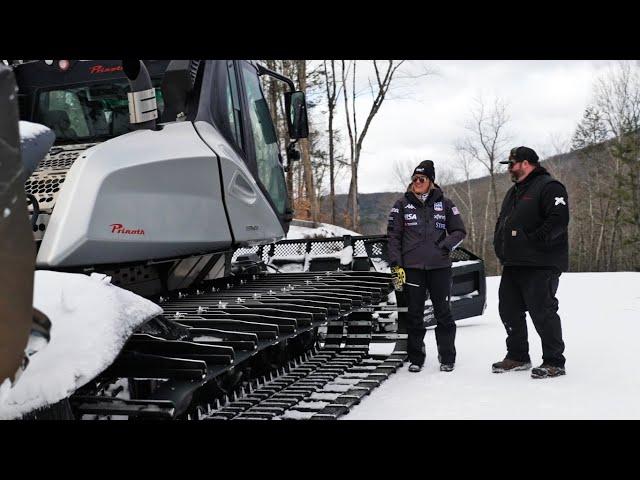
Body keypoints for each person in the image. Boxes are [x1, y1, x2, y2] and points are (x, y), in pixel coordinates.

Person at [492, 146, 569, 379]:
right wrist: (500, 246)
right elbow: (504, 222)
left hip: (540, 263)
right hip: (514, 263)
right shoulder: (514, 191)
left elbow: (559, 220)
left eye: (512, 164)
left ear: (526, 163)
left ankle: (554, 361)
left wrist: (533, 241)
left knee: (542, 311)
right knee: (508, 309)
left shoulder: (549, 186)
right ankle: (517, 356)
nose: (509, 169)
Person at [387, 160, 466, 373]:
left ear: (431, 181)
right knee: (414, 314)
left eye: (421, 179)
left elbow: (459, 231)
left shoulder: (446, 204)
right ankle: (416, 357)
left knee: (443, 313)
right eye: (414, 179)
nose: (417, 182)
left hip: (440, 267)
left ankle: (447, 357)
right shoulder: (401, 204)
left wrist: (445, 247)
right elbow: (393, 237)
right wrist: (396, 265)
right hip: (411, 268)